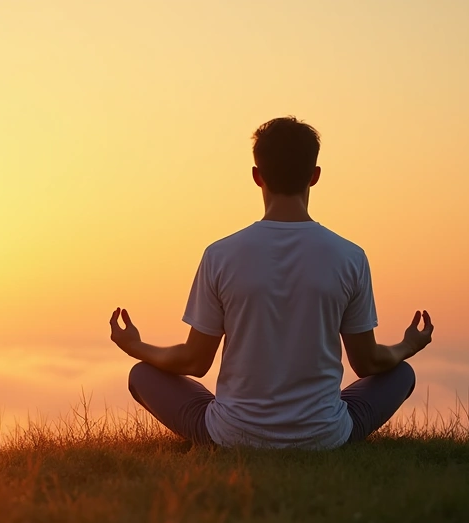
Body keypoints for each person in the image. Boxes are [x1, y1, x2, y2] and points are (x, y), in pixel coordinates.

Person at [109, 117, 433, 449]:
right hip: (325, 437)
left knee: (142, 374)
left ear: (256, 176)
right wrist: (409, 345)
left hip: (231, 437)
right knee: (401, 373)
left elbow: (195, 361)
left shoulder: (220, 255)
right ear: (315, 176)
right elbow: (369, 363)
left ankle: (230, 431)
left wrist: (135, 346)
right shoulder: (350, 257)